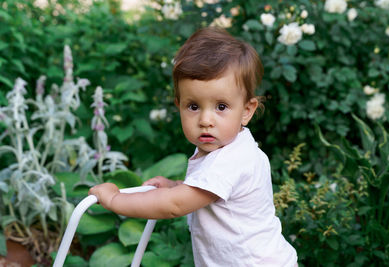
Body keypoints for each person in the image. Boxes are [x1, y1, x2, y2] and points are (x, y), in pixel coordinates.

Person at [89, 27, 298, 266]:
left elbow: (174, 204)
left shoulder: (232, 159)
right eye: (194, 106)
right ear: (179, 106)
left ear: (246, 111)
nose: (205, 120)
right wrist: (176, 185)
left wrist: (115, 201)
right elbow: (208, 194)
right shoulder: (223, 149)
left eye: (221, 107)